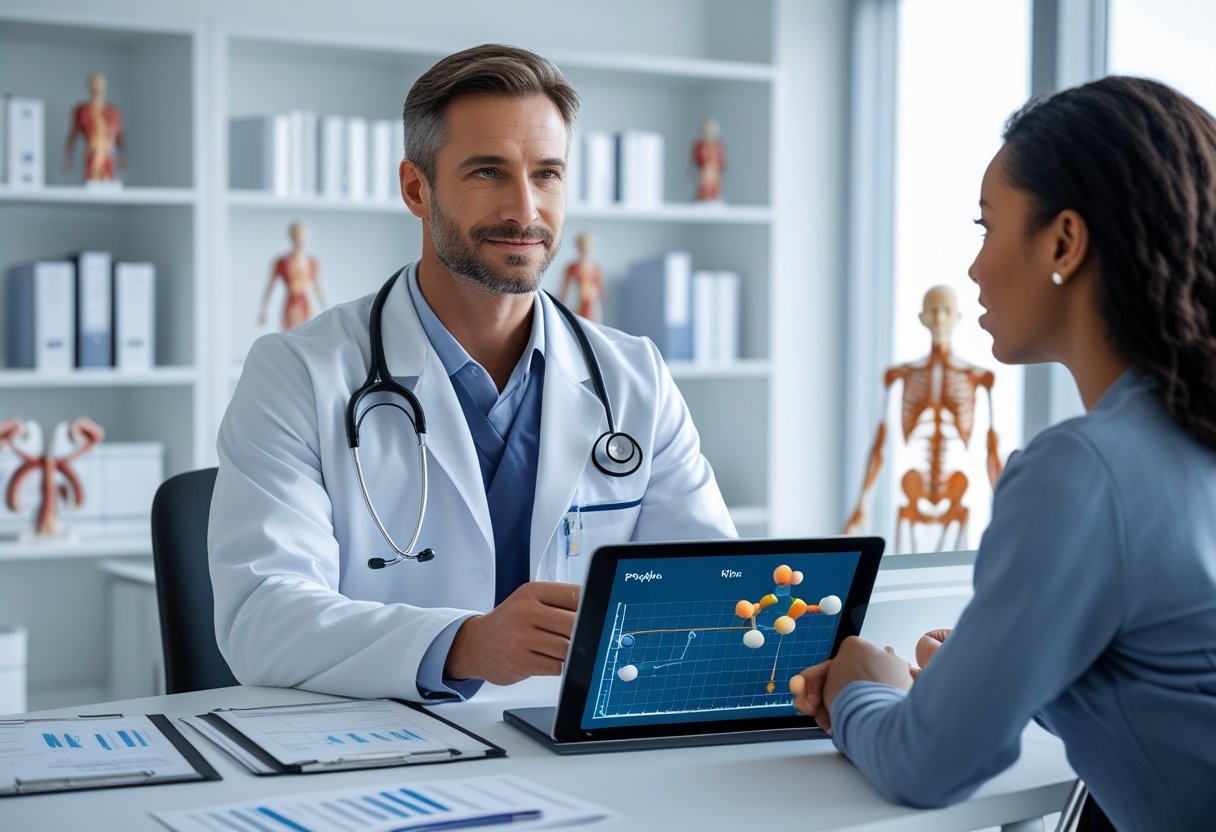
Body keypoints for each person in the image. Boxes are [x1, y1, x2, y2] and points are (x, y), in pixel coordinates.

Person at [209, 44, 736, 704]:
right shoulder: (298, 373)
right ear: (415, 188)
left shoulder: (634, 378)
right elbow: (263, 617)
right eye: (488, 172)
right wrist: (466, 644)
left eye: (547, 174)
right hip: (387, 750)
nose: (525, 210)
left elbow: (710, 590)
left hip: (578, 738)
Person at [791, 76, 1216, 830]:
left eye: (986, 228)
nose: (975, 268)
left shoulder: (1083, 470)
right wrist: (1023, 668)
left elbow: (928, 768)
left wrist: (863, 687)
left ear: (1063, 241)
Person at [843, 284, 1002, 552]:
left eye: (946, 311)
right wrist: (861, 504)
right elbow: (879, 444)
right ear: (922, 317)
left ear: (957, 318)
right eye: (933, 311)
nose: (939, 318)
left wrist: (1003, 508)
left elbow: (991, 448)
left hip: (956, 492)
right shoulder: (898, 376)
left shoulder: (979, 378)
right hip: (912, 490)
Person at [257, 221, 325, 330]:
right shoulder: (281, 262)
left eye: (302, 236)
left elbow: (317, 289)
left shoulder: (312, 263)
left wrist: (326, 311)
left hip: (307, 306)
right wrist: (263, 310)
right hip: (290, 307)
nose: (300, 239)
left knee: (307, 335)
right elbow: (269, 287)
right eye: (297, 235)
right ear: (291, 236)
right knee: (289, 337)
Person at [63, 72, 124, 183]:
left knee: (108, 182)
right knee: (92, 182)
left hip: (107, 155)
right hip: (92, 152)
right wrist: (67, 159)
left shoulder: (112, 111)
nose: (97, 86)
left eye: (100, 83)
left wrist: (122, 155)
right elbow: (72, 135)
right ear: (88, 86)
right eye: (94, 83)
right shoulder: (81, 111)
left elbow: (119, 137)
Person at [558, 231, 604, 321]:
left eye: (589, 244)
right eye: (583, 244)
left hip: (592, 304)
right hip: (577, 303)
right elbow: (564, 292)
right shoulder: (572, 268)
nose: (586, 247)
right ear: (578, 246)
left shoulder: (596, 268)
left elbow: (600, 292)